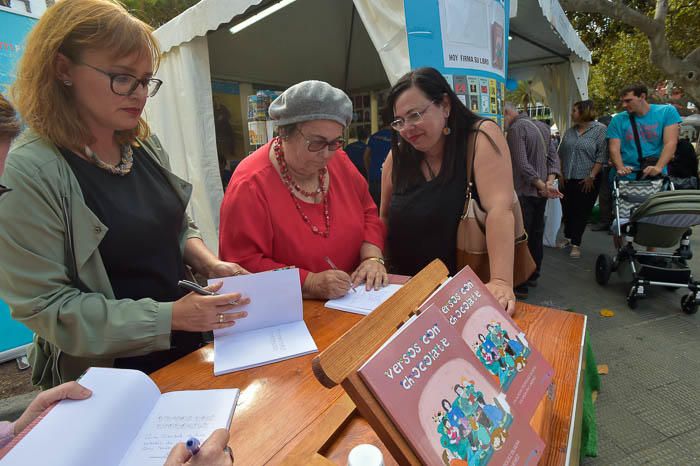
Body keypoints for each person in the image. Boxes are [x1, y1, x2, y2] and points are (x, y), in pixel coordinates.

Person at [0, 0, 250, 390]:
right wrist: (172, 317)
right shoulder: (28, 170)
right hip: (103, 379)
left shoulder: (142, 145)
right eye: (122, 78)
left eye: (146, 80)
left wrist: (208, 262)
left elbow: (177, 225)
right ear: (63, 69)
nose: (139, 94)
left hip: (184, 350)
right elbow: (47, 307)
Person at [219, 80, 387, 300]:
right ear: (284, 133)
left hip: (355, 298)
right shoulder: (250, 184)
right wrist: (309, 282)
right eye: (316, 143)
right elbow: (241, 263)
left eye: (335, 142)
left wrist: (372, 258)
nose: (327, 154)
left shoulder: (340, 162)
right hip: (289, 311)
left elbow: (368, 211)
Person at [381, 67, 516, 313]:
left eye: (415, 115)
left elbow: (500, 210)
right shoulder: (397, 156)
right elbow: (383, 218)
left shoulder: (480, 138)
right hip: (404, 296)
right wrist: (375, 262)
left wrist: (501, 282)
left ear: (445, 105)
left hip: (465, 298)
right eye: (399, 121)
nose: (407, 128)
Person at [503, 103, 562, 299]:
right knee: (536, 234)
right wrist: (548, 183)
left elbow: (521, 164)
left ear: (507, 113)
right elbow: (554, 159)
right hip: (541, 193)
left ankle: (521, 282)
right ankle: (534, 274)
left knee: (521, 237)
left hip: (525, 192)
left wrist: (540, 184)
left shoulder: (516, 129)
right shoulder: (543, 126)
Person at [557, 100, 608, 259]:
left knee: (581, 212)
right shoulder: (570, 131)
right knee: (567, 210)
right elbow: (561, 153)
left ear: (584, 112)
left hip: (587, 180)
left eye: (574, 110)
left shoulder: (600, 130)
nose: (572, 113)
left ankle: (576, 244)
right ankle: (568, 237)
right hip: (567, 178)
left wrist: (592, 175)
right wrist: (561, 174)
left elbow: (601, 156)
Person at [608, 83, 681, 180]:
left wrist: (659, 167)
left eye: (628, 101)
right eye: (623, 101)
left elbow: (670, 142)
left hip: (655, 175)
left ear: (642, 96)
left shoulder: (666, 112)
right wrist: (620, 167)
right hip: (626, 177)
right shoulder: (618, 119)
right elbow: (614, 148)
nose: (624, 105)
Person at [364, 125, 392, 207]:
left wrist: (369, 171)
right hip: (390, 180)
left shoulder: (374, 136)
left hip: (374, 178)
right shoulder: (396, 137)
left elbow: (366, 156)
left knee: (374, 208)